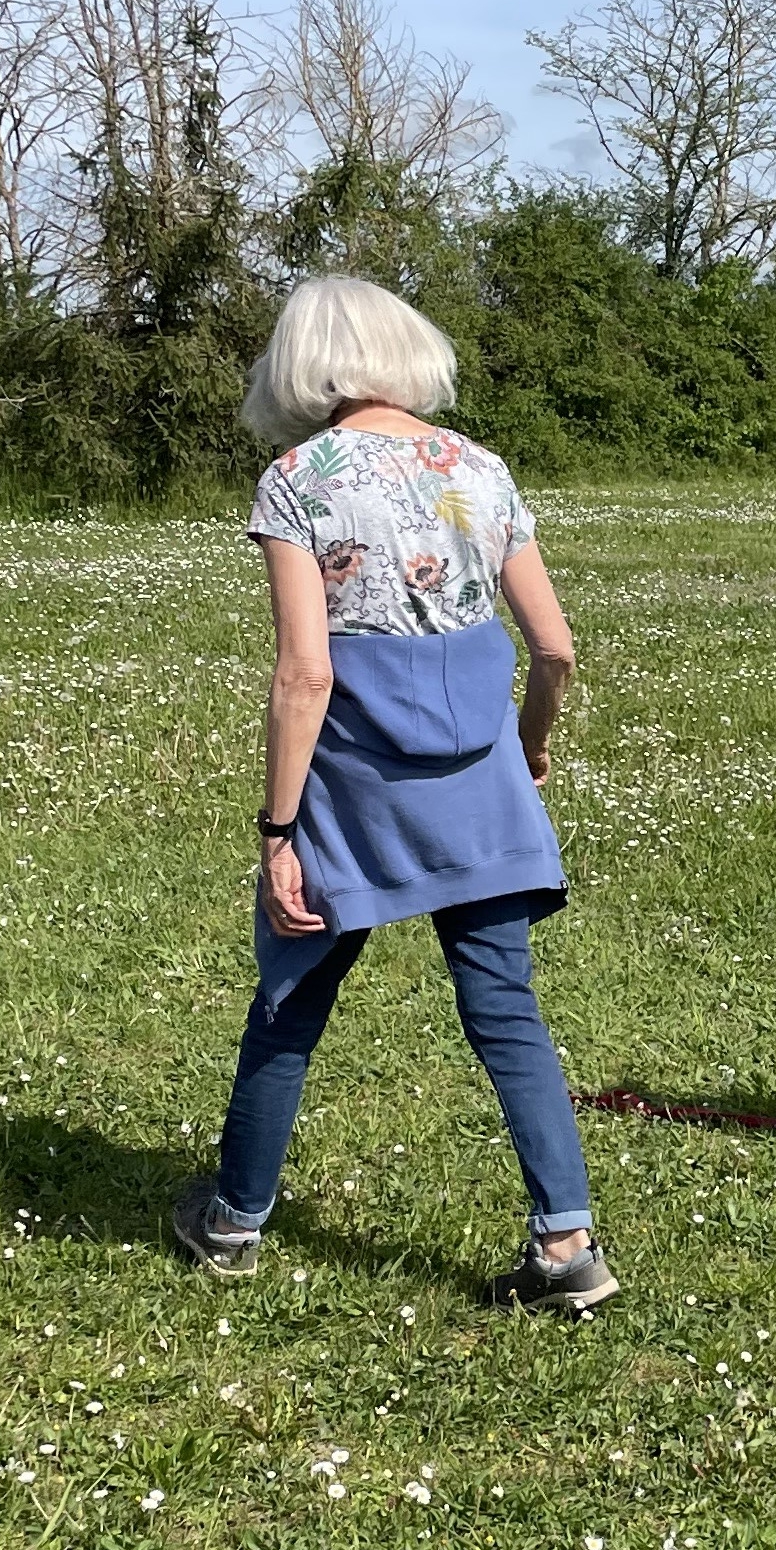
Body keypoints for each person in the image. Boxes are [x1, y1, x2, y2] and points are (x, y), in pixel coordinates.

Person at [171, 275, 617, 1314]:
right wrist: (528, 747)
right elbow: (553, 646)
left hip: (353, 791)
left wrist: (279, 829)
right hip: (481, 783)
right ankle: (567, 1247)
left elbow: (306, 675)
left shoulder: (296, 479)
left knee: (291, 1001)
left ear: (303, 361)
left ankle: (234, 1220)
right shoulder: (479, 467)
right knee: (507, 1011)